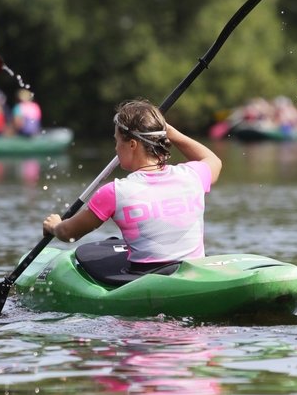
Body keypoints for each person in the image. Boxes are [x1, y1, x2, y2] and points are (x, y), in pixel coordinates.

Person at [43, 99, 222, 269]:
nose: (115, 148)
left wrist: (55, 226)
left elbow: (69, 233)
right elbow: (213, 160)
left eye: (117, 141)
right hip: (193, 273)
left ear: (132, 144)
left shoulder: (115, 192)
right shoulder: (192, 176)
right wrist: (172, 133)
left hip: (145, 278)